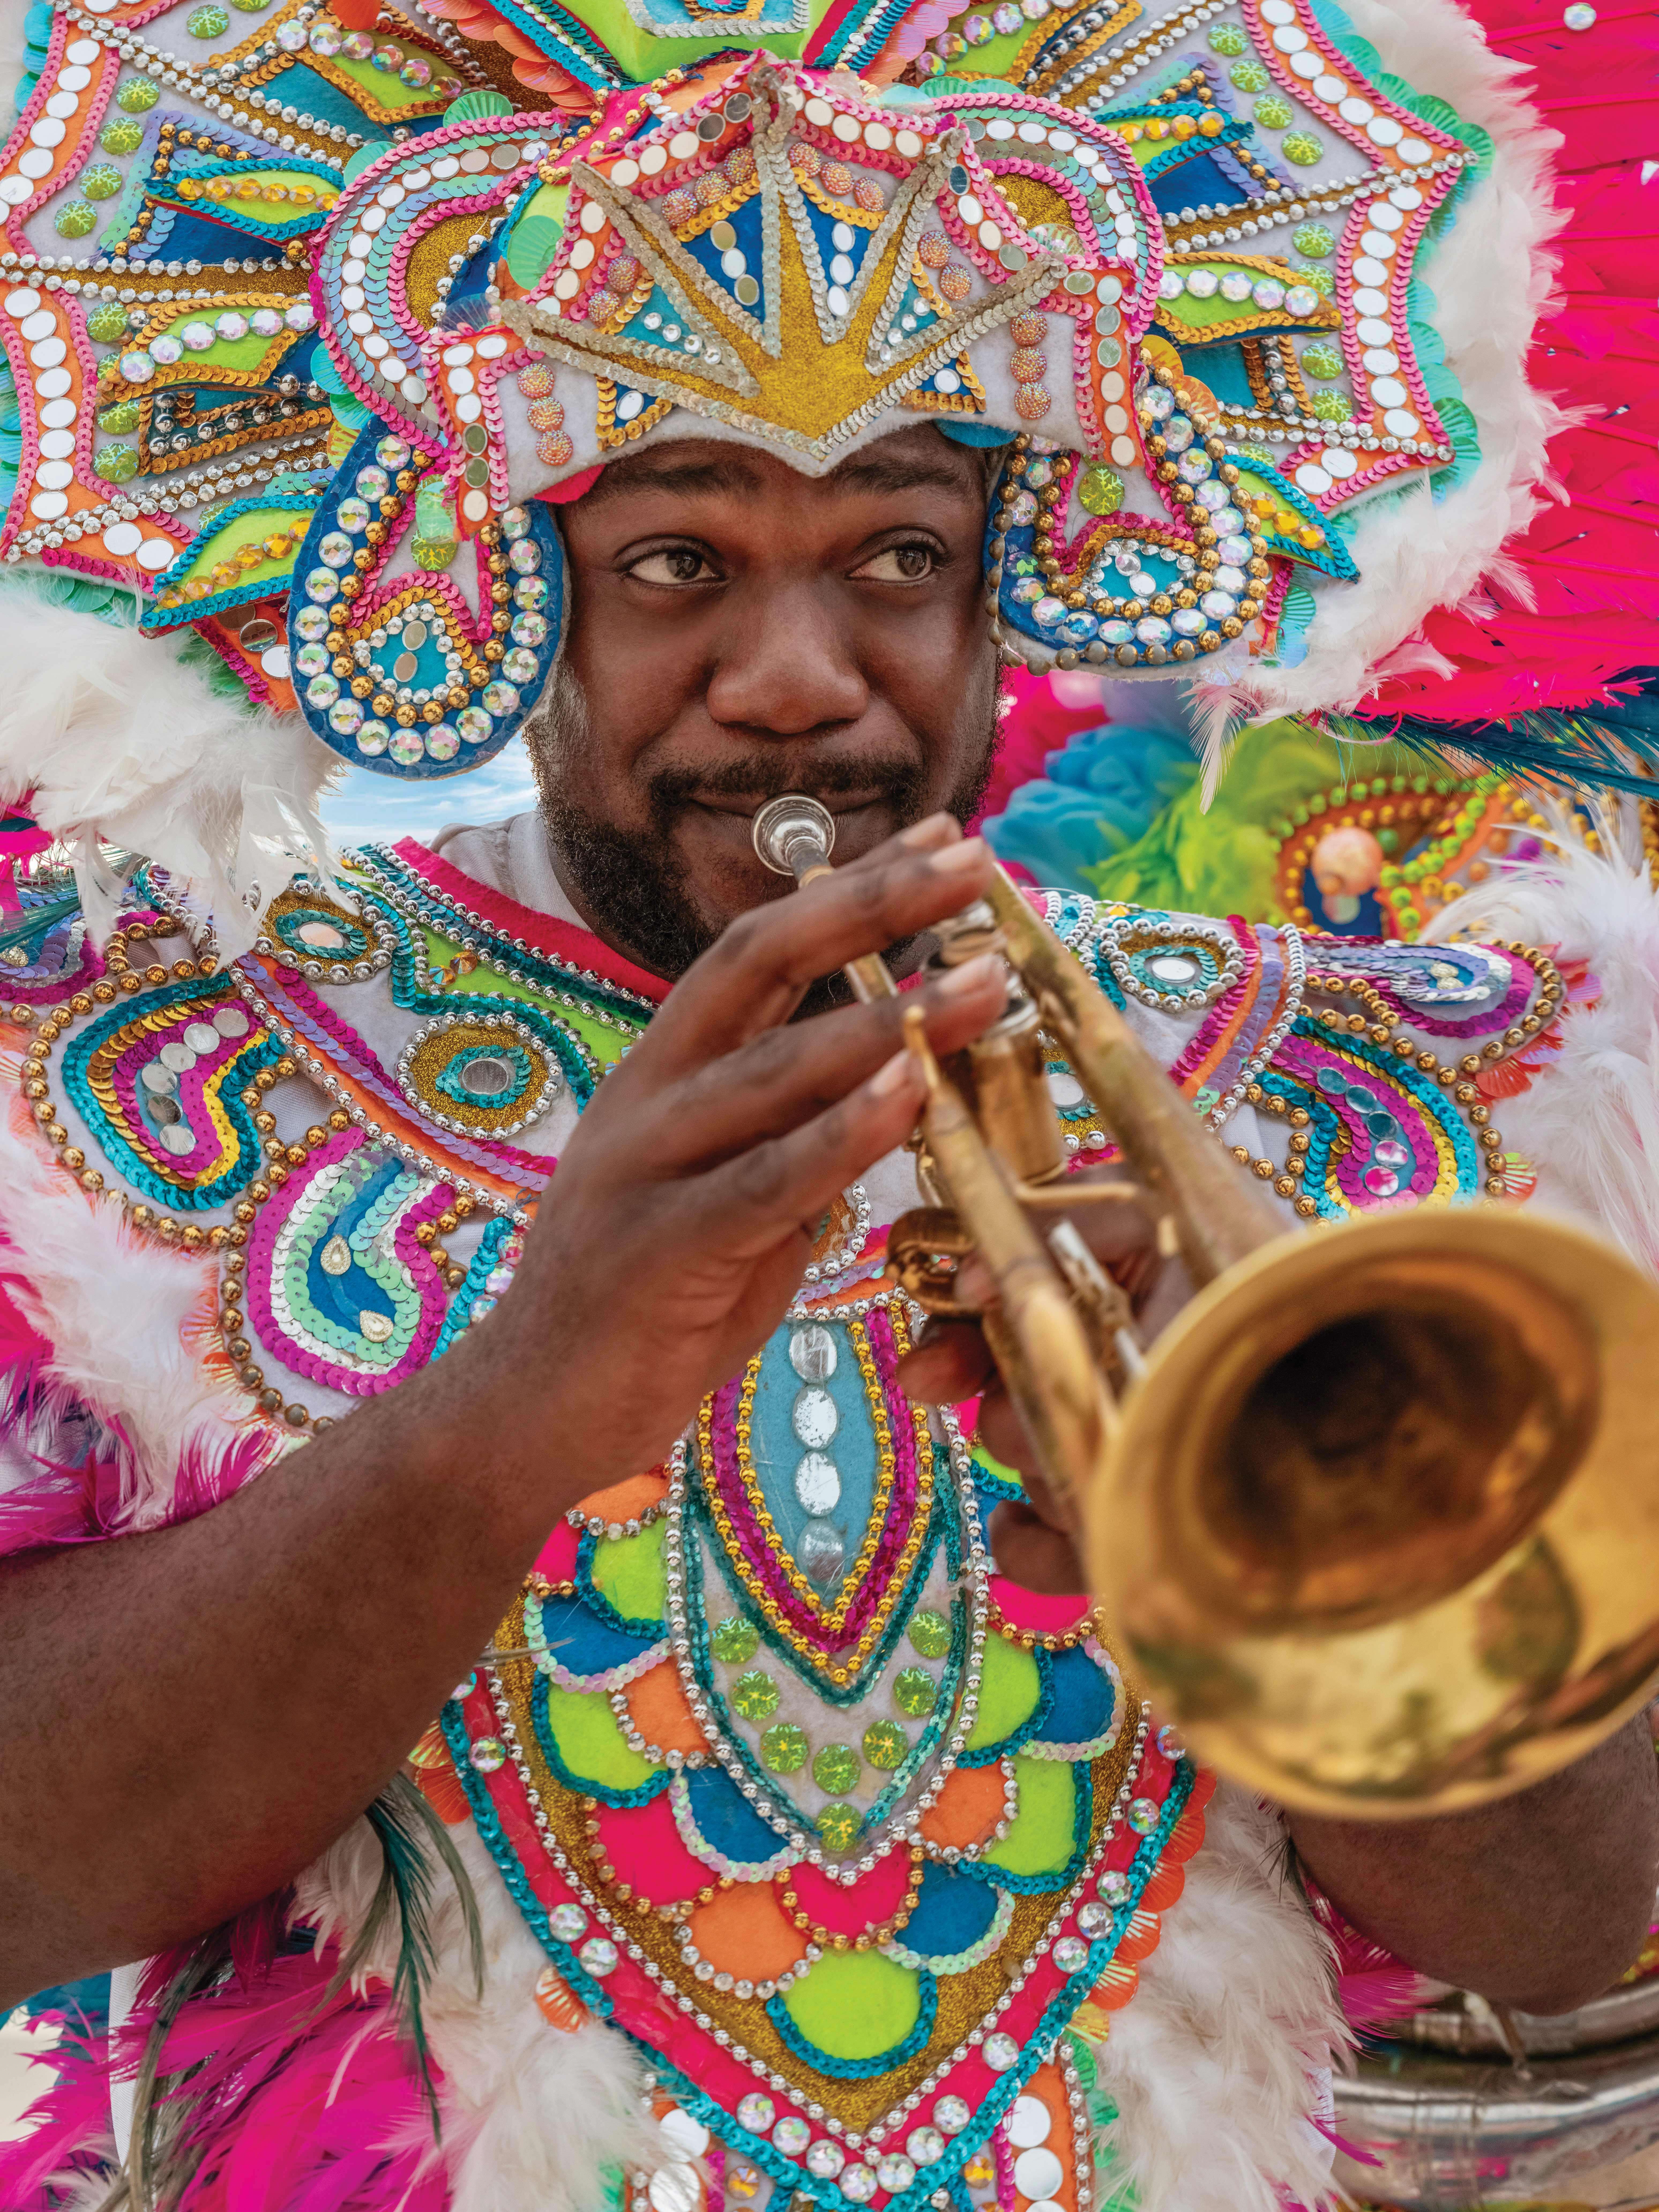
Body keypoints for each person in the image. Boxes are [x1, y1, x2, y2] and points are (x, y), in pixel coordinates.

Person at [1, 16, 1657, 2212]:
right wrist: (507, 1415)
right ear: (522, 598)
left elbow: (1556, 1923)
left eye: (895, 555)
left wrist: (1302, 1527)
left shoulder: (1360, 1091)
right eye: (681, 562)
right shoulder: (113, 1053)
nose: (802, 674)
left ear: (1005, 592)